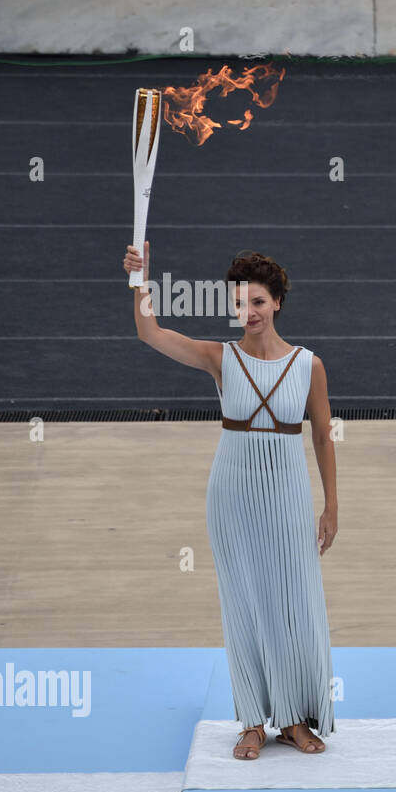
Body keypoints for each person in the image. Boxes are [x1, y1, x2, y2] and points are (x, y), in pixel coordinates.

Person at [123, 241, 338, 756]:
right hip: (232, 495)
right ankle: (251, 722)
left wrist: (331, 506)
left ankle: (293, 717)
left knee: (293, 603)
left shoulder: (310, 366)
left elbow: (324, 436)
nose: (250, 312)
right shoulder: (221, 358)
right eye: (240, 303)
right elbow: (150, 332)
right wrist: (140, 282)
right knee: (243, 604)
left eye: (258, 302)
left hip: (287, 493)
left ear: (277, 303)